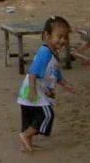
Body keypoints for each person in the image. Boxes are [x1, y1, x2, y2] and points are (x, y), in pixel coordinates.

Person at [17, 15, 76, 152]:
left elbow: (55, 72)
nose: (62, 40)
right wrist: (33, 90)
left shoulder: (53, 52)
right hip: (34, 90)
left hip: (33, 90)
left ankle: (26, 144)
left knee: (29, 117)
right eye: (59, 36)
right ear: (47, 35)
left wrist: (65, 84)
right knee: (47, 115)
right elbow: (33, 73)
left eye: (65, 37)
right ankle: (26, 135)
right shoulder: (45, 52)